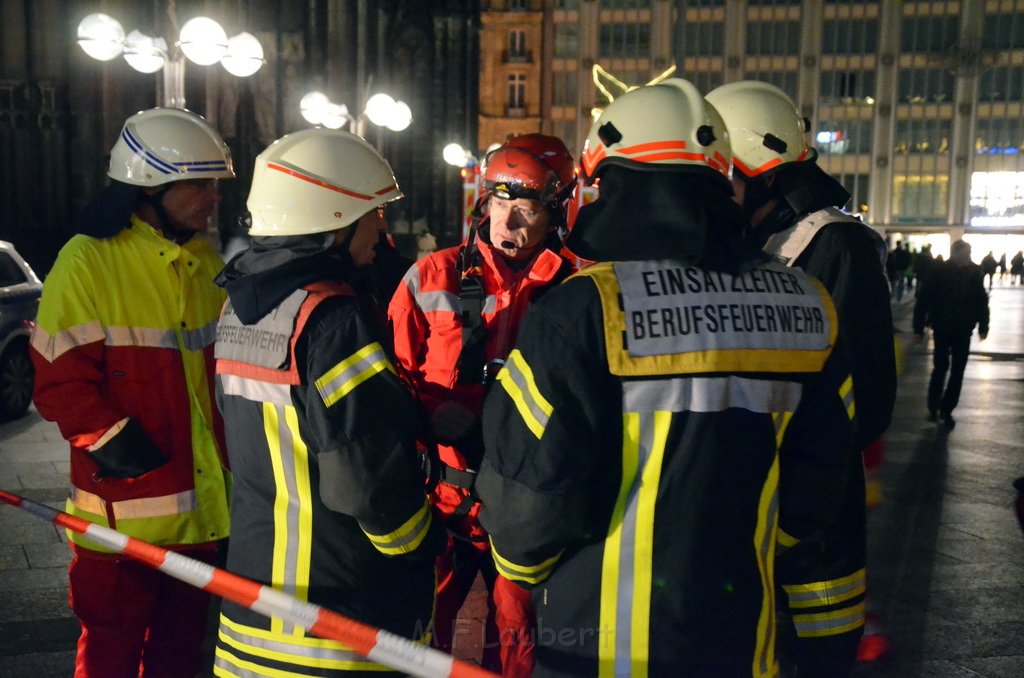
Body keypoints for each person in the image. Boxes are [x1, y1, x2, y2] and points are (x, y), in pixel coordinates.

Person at [475, 78, 855, 677]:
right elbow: (821, 503)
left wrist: (520, 573)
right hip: (740, 647)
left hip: (594, 650)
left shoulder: (583, 310)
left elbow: (528, 507)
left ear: (606, 183)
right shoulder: (807, 307)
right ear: (720, 182)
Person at [211, 128, 440, 676]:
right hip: (339, 626)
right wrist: (420, 542)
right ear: (334, 220)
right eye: (372, 215)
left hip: (252, 617)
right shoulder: (334, 321)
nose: (380, 229)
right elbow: (368, 480)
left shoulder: (238, 311)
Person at [29, 107, 235, 677]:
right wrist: (124, 452)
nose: (212, 197)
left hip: (200, 521)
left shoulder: (202, 261)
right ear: (151, 186)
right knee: (111, 660)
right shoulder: (87, 260)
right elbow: (60, 383)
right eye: (199, 183)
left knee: (179, 659)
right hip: (120, 526)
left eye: (214, 183)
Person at [707, 80, 897, 676]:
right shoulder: (749, 239)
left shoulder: (836, 247)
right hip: (751, 514)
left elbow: (863, 403)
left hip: (811, 528)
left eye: (719, 173)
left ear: (759, 173)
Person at [388, 133, 577, 676]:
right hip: (443, 500)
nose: (508, 223)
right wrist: (435, 412)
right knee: (418, 636)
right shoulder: (432, 275)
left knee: (521, 642)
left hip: (527, 509)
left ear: (556, 214)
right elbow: (394, 378)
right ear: (482, 201)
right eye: (499, 203)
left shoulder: (581, 287)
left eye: (526, 209)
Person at [913, 239, 990, 430]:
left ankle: (946, 409)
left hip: (964, 328)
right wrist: (918, 328)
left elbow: (981, 300)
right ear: (956, 253)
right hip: (943, 326)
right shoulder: (940, 271)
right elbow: (924, 299)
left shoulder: (974, 272)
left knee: (958, 370)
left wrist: (983, 326)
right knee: (941, 367)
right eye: (966, 254)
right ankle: (933, 406)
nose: (969, 257)